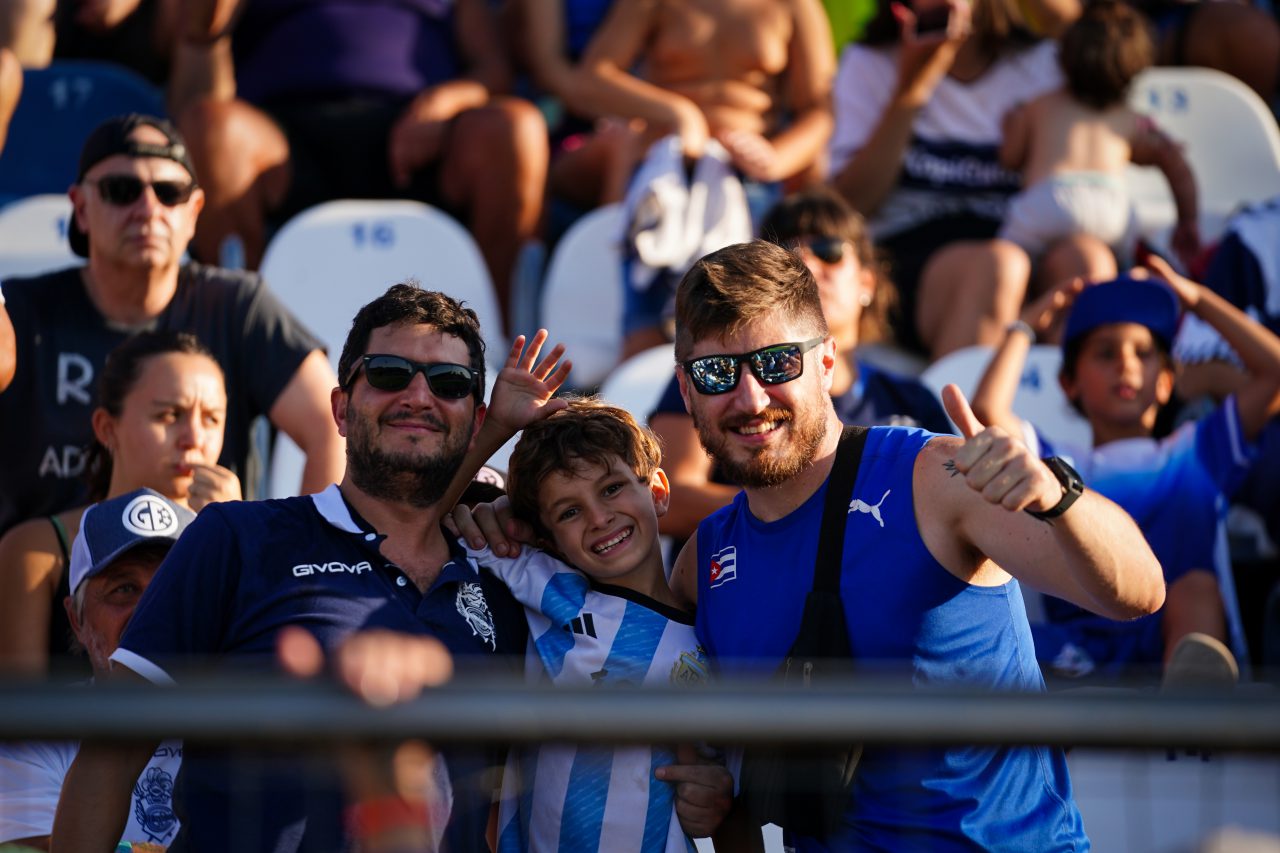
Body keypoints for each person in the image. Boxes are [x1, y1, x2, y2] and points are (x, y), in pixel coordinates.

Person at [661, 240, 1164, 848]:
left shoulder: (933, 478)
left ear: (826, 363)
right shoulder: (704, 563)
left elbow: (1139, 593)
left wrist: (1058, 496)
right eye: (717, 373)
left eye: (777, 363)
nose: (751, 398)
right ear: (686, 391)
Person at [51, 283, 572, 852]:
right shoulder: (235, 539)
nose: (419, 396)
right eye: (390, 374)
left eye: (448, 383)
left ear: (475, 422)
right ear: (341, 409)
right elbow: (110, 755)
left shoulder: (504, 578)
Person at [0, 112, 344, 537]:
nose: (148, 210)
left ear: (195, 211)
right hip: (45, 568)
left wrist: (301, 556)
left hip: (202, 566)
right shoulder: (19, 311)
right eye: (121, 190)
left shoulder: (237, 306)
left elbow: (332, 424)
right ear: (82, 209)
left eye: (169, 193)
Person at [970, 257, 1280, 682]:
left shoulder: (1196, 452)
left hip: (1177, 644)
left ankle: (1194, 706)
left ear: (1167, 381)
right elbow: (987, 410)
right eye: (1105, 353)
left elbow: (1274, 374)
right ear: (1069, 383)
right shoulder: (1054, 463)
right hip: (1077, 646)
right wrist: (1027, 324)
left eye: (1143, 353)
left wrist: (1196, 298)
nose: (1126, 364)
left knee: (1195, 589)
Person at [445, 396, 724, 852]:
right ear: (548, 538)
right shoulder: (549, 588)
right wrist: (489, 507)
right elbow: (425, 519)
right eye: (569, 512)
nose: (598, 518)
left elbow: (716, 776)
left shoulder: (711, 639)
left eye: (611, 489)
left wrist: (714, 795)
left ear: (657, 492)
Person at [172, 0, 549, 325]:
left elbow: (493, 70)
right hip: (283, 140)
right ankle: (243, 336)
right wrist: (206, 31)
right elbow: (192, 73)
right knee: (210, 128)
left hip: (421, 136)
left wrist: (446, 102)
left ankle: (502, 340)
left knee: (515, 128)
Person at [650, 186, 951, 539]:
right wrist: (805, 514)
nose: (807, 265)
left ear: (867, 280)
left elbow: (948, 507)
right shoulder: (714, 376)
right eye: (787, 257)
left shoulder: (911, 402)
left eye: (828, 251)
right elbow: (670, 501)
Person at [828, 0, 1117, 358]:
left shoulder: (1043, 63)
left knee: (1088, 262)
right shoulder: (868, 62)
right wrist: (913, 87)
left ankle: (1073, 394)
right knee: (998, 266)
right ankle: (963, 397)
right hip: (912, 254)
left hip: (1021, 240)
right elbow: (851, 204)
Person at [571, 0, 837, 357]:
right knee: (645, 336)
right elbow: (592, 77)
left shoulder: (795, 5)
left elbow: (820, 109)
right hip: (666, 174)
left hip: (750, 180)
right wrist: (678, 113)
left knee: (746, 331)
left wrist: (775, 159)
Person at [0, 331, 239, 677]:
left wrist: (237, 543)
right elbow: (20, 708)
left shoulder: (241, 541)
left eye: (211, 419)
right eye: (170, 415)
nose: (195, 439)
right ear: (106, 428)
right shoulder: (34, 551)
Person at [0, 487, 193, 849]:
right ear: (77, 619)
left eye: (170, 587)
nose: (149, 611)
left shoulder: (259, 721)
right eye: (125, 588)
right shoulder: (35, 733)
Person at [998, 0, 1199, 278]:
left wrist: (1011, 125)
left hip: (1049, 200)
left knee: (1007, 261)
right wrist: (1188, 220)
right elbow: (1173, 160)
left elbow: (1009, 157)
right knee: (1119, 272)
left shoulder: (1039, 105)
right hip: (1111, 208)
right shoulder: (1130, 118)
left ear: (1064, 54)